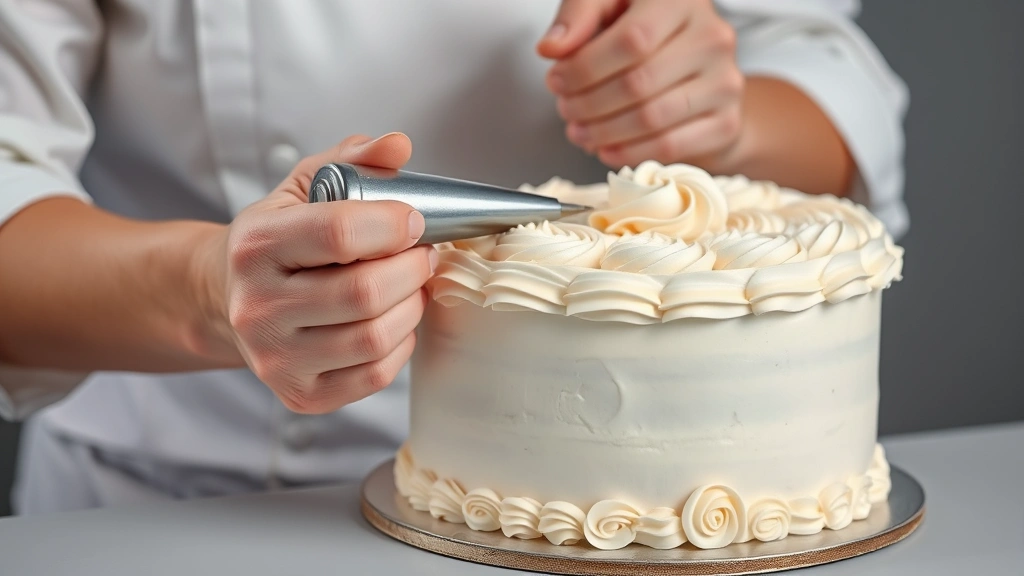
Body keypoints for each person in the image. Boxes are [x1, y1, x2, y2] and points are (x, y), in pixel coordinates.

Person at [0, 0, 908, 514]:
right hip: (159, 504)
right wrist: (208, 285)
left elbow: (822, 75)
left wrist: (725, 108)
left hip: (638, 504)